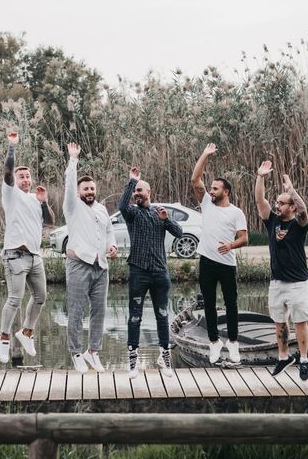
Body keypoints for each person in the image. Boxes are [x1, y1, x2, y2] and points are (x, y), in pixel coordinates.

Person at [0, 131, 55, 363]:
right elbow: (8, 171)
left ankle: (27, 332)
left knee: (40, 296)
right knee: (15, 298)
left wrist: (44, 203)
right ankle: (3, 339)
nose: (25, 180)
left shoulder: (35, 199)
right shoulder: (10, 194)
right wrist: (12, 146)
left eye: (28, 176)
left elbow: (50, 221)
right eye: (21, 176)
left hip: (34, 256)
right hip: (14, 255)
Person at [118, 167, 182, 378]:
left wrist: (167, 220)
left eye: (139, 190)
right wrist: (131, 182)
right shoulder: (133, 214)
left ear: (149, 192)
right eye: (134, 191)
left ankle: (164, 359)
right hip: (138, 272)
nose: (136, 193)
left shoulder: (159, 212)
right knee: (134, 318)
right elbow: (121, 205)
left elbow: (179, 233)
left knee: (162, 316)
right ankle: (133, 363)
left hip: (160, 273)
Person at [63, 142, 117, 373]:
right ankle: (75, 352)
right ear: (78, 192)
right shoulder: (73, 206)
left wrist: (112, 246)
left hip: (100, 267)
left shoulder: (101, 209)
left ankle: (93, 352)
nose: (90, 192)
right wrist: (73, 159)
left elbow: (108, 232)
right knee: (76, 311)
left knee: (99, 310)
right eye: (85, 189)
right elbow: (69, 183)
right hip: (78, 265)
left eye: (92, 189)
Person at [191, 143, 248, 365]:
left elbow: (244, 238)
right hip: (207, 261)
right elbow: (195, 180)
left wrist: (231, 246)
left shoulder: (236, 212)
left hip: (227, 263)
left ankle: (233, 343)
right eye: (211, 188)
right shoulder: (207, 204)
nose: (211, 191)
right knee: (209, 303)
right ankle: (214, 342)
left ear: (226, 192)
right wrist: (204, 155)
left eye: (215, 189)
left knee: (231, 303)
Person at [255, 160, 308, 381]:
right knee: (280, 322)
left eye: (282, 203)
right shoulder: (272, 222)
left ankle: (304, 359)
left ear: (292, 207)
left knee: (300, 321)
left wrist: (291, 190)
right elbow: (260, 200)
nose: (277, 206)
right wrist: (260, 176)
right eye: (277, 202)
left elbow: (304, 210)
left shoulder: (299, 226)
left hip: (298, 282)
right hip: (277, 282)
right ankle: (283, 357)